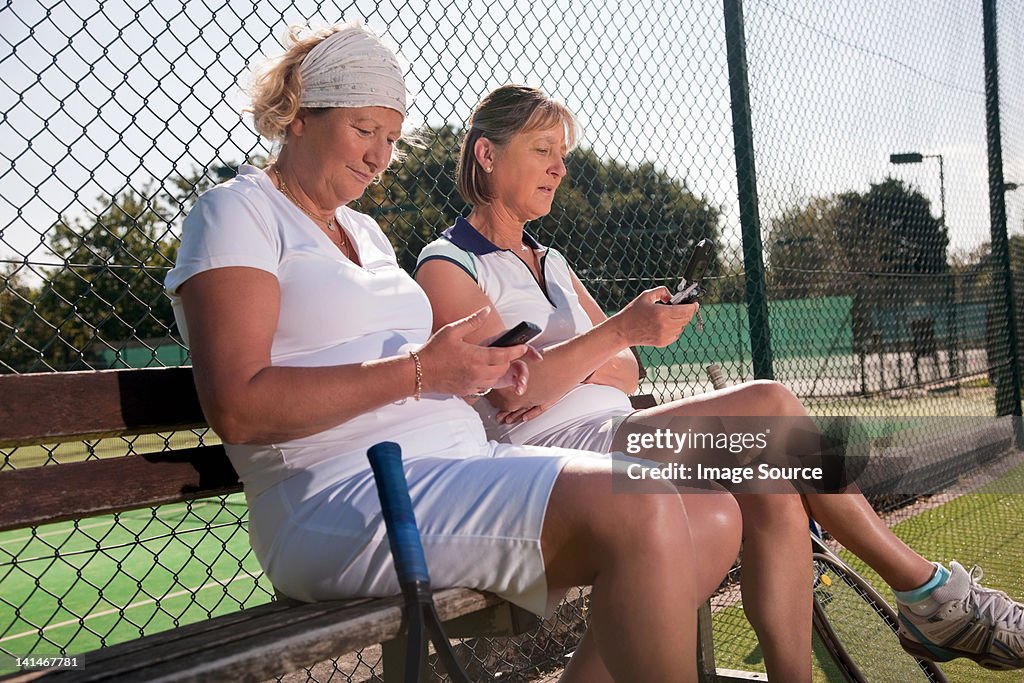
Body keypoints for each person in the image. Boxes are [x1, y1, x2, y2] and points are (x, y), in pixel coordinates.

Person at [165, 26, 742, 682]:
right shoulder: (237, 212)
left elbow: (411, 365)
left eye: (391, 137)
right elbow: (238, 407)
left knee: (713, 514)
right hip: (342, 494)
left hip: (455, 462)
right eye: (363, 131)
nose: (380, 157)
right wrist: (419, 371)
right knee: (644, 506)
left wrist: (476, 367)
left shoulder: (365, 231)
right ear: (299, 116)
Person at [415, 83, 1024, 680]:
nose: (559, 169)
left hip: (615, 432)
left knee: (771, 484)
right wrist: (613, 337)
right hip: (552, 466)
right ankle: (929, 594)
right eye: (542, 150)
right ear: (487, 154)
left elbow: (628, 370)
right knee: (771, 404)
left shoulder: (553, 262)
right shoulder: (449, 264)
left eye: (563, 154)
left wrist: (579, 359)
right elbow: (515, 389)